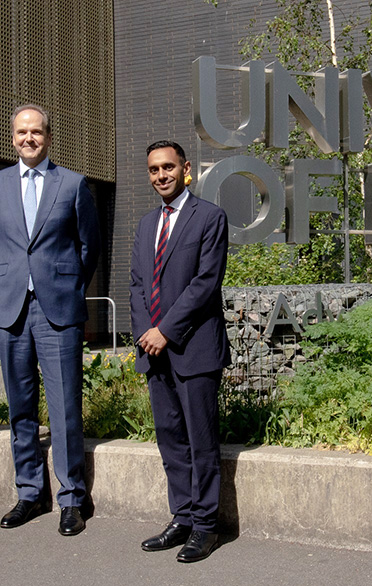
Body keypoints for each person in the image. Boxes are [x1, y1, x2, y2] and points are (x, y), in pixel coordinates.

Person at [0, 104, 101, 536]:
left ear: (49, 137)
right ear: (12, 137)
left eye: (36, 132)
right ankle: (29, 493)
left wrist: (63, 285)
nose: (28, 138)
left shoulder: (73, 183)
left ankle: (71, 498)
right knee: (20, 409)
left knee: (66, 406)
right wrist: (15, 282)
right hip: (10, 309)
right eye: (21, 132)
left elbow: (89, 247)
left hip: (58, 310)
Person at [130, 140, 230, 563]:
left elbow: (205, 284)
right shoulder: (145, 224)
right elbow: (137, 286)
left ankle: (206, 527)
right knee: (170, 440)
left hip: (194, 348)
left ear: (185, 169)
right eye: (154, 170)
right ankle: (183, 516)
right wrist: (145, 334)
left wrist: (165, 331)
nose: (161, 176)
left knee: (201, 441)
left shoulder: (209, 217)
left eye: (168, 167)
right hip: (154, 351)